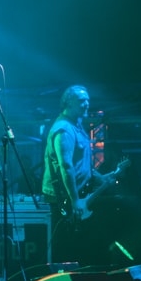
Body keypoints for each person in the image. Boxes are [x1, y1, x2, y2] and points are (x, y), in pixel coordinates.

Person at [41, 85, 123, 264]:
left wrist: (101, 178)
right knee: (68, 249)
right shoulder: (64, 130)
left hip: (77, 197)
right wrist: (75, 200)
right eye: (81, 101)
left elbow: (81, 164)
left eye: (88, 100)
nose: (87, 104)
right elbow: (66, 166)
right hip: (64, 201)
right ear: (68, 103)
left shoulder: (76, 126)